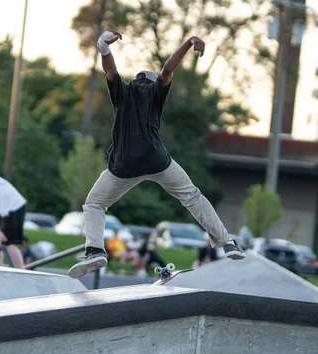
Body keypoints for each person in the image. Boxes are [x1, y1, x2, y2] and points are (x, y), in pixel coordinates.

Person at [68, 29, 245, 279]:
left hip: (122, 164)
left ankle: (95, 250)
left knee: (95, 204)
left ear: (136, 81)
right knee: (192, 196)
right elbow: (168, 70)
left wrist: (103, 47)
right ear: (151, 83)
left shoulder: (123, 92)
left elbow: (109, 70)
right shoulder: (155, 93)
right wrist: (187, 43)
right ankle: (227, 243)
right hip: (156, 159)